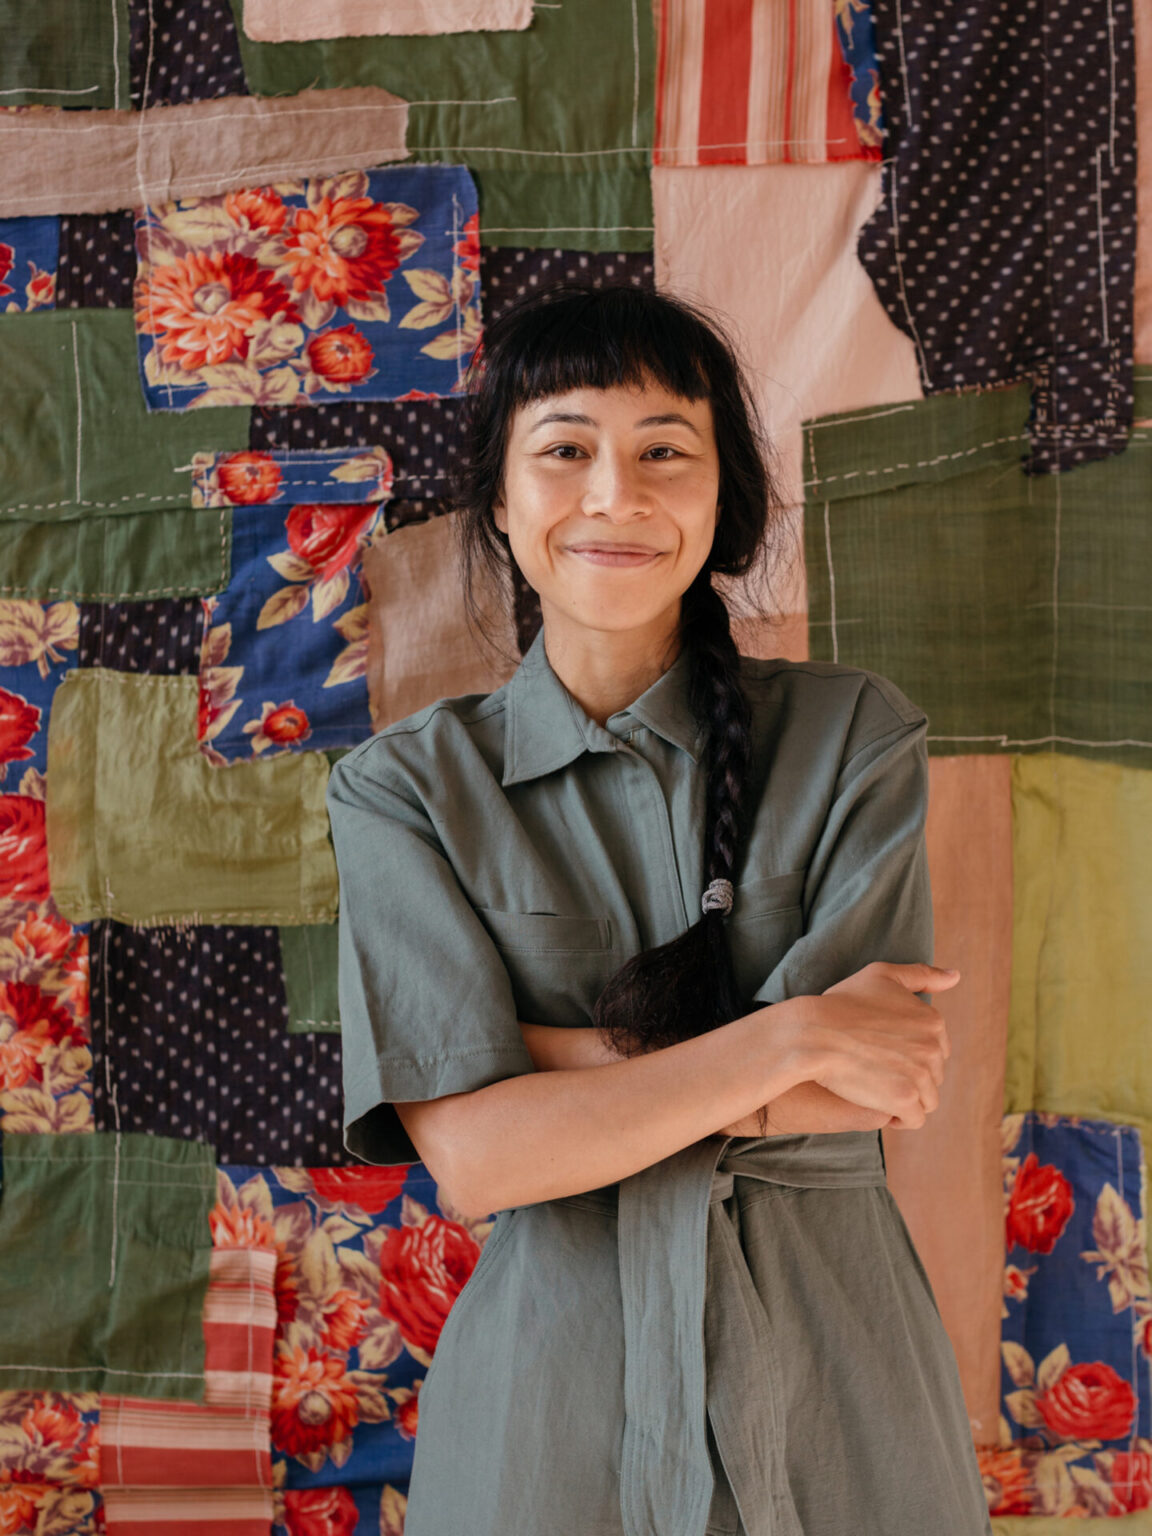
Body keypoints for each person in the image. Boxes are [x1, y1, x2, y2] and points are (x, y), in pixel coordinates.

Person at [326, 286, 994, 1536]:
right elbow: (477, 1158)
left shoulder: (854, 736)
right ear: (502, 498)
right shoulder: (402, 791)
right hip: (546, 1415)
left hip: (844, 1398)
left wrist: (524, 1064)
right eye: (565, 448)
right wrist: (787, 1035)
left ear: (721, 497)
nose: (614, 494)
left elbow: (874, 1082)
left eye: (664, 451)